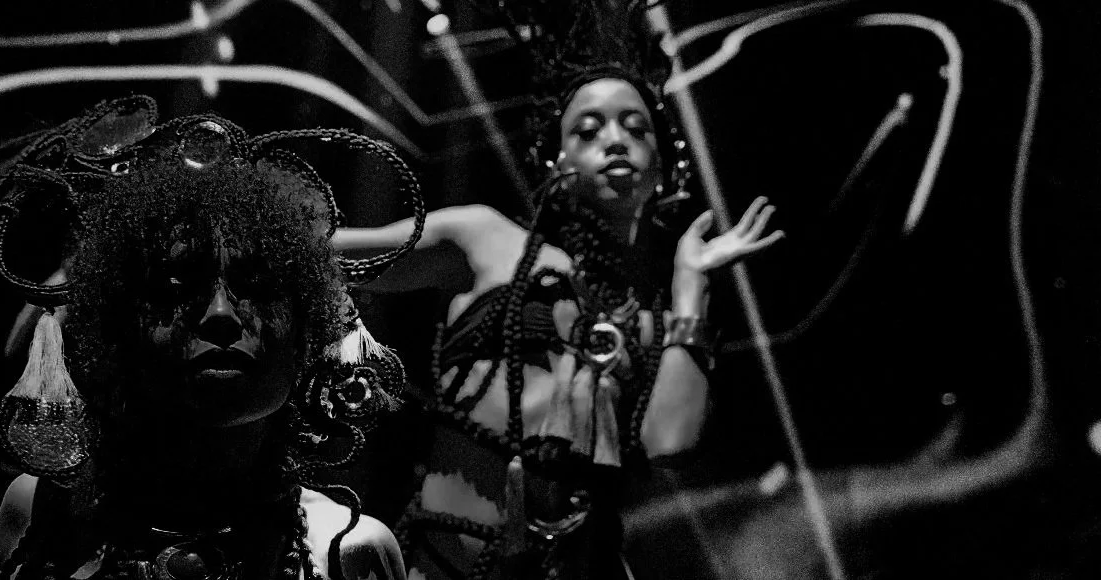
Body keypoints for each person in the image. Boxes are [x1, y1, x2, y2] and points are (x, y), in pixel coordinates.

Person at [335, 63, 784, 578]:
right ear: (556, 161)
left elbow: (670, 443)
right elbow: (330, 255)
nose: (616, 142)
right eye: (588, 130)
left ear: (663, 168)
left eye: (637, 130)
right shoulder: (485, 239)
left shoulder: (649, 326)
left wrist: (691, 285)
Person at [0, 96, 422, 580]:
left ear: (309, 333)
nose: (220, 314)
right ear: (117, 329)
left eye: (258, 286)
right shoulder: (39, 515)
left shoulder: (350, 549)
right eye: (174, 286)